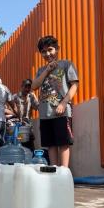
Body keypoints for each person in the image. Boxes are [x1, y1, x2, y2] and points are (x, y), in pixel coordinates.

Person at [31, 35, 78, 167]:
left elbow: (74, 85)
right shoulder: (41, 70)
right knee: (50, 144)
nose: (47, 53)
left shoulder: (66, 64)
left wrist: (63, 103)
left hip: (61, 113)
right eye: (44, 51)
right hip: (45, 114)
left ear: (57, 49)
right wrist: (47, 70)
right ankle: (54, 172)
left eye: (50, 49)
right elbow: (34, 86)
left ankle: (63, 173)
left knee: (63, 143)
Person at [12, 79, 39, 151]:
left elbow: (37, 107)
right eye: (25, 87)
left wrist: (34, 96)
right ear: (21, 86)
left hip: (28, 127)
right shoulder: (15, 97)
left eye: (29, 87)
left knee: (30, 148)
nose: (27, 89)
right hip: (17, 127)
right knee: (18, 147)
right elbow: (9, 110)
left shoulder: (31, 97)